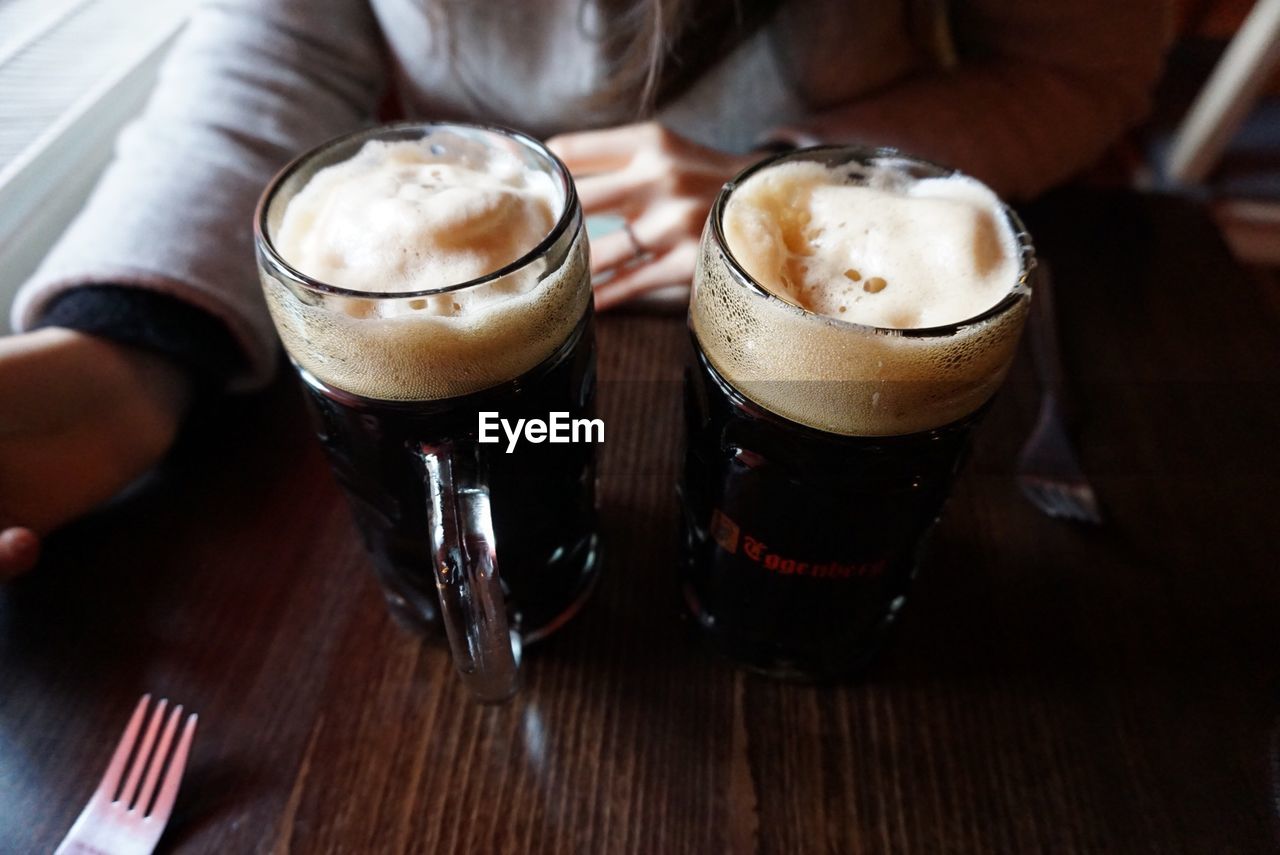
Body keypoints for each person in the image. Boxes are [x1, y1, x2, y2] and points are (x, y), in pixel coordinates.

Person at [0, 0, 1170, 577]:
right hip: (452, 326)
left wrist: (798, 181)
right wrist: (125, 350)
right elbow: (282, 45)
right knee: (539, 481)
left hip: (851, 323)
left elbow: (1077, 66)